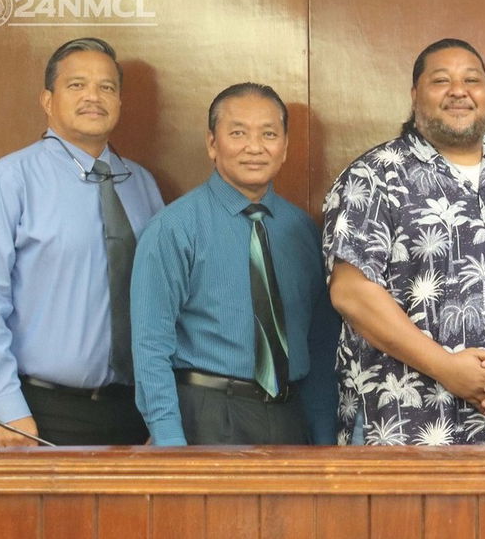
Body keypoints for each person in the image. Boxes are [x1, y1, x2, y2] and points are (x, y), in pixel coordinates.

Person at [323, 38, 485, 445]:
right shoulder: (374, 177)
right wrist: (446, 367)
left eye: (472, 80)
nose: (459, 90)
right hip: (398, 430)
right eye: (441, 80)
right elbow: (352, 293)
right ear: (414, 96)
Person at [0, 37, 163, 446]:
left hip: (133, 410)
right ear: (47, 99)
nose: (93, 96)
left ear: (120, 102)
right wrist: (7, 408)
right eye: (77, 85)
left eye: (107, 87)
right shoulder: (7, 181)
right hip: (41, 411)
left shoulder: (141, 185)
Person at [130, 83, 339, 445]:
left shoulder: (303, 230)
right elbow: (150, 346)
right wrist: (169, 445)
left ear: (286, 146)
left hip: (290, 416)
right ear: (213, 143)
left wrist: (324, 438)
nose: (255, 147)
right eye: (238, 133)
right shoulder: (174, 228)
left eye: (269, 134)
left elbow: (321, 345)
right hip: (206, 415)